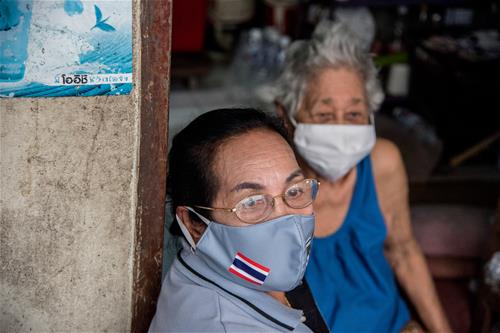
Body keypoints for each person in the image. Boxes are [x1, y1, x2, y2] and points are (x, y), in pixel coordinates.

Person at [272, 21, 452, 333]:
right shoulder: (271, 184)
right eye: (324, 115)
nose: (341, 128)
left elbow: (404, 251)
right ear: (285, 117)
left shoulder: (382, 163)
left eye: (354, 114)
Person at [149, 108, 328, 332]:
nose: (287, 217)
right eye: (252, 202)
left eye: (294, 191)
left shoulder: (256, 277)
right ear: (194, 224)